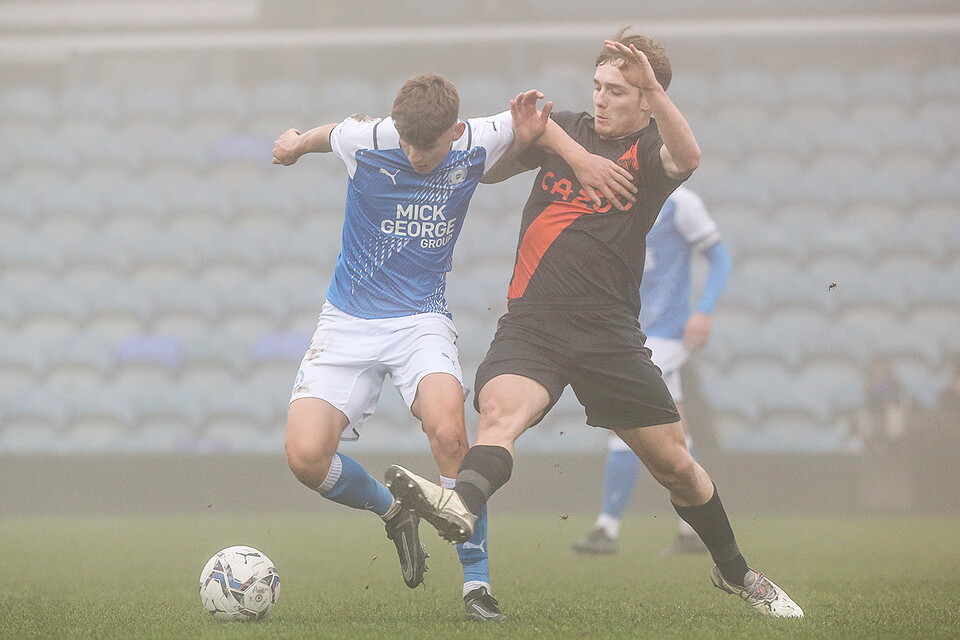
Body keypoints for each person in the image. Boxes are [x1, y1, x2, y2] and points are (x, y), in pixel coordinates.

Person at [386, 31, 803, 619]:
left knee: (676, 468)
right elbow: (491, 173)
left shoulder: (653, 154)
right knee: (499, 416)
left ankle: (736, 573)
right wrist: (532, 133)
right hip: (534, 323)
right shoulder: (570, 132)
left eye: (617, 91)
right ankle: (460, 505)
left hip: (610, 335)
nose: (601, 99)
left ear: (646, 101)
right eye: (597, 87)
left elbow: (689, 159)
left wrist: (656, 93)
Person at [272, 74, 635, 622]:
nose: (418, 158)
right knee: (305, 458)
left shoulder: (478, 137)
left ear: (456, 131)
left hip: (420, 320)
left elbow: (536, 123)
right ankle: (393, 510)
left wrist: (581, 159)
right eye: (410, 144)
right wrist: (295, 144)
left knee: (447, 429)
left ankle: (476, 585)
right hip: (347, 320)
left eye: (430, 146)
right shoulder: (367, 138)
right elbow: (328, 135)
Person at [572, 185, 732, 557]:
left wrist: (703, 310)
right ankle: (693, 530)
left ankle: (606, 529)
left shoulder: (681, 202)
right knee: (675, 428)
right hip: (626, 328)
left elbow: (720, 257)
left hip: (665, 333)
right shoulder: (611, 192)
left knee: (625, 419)